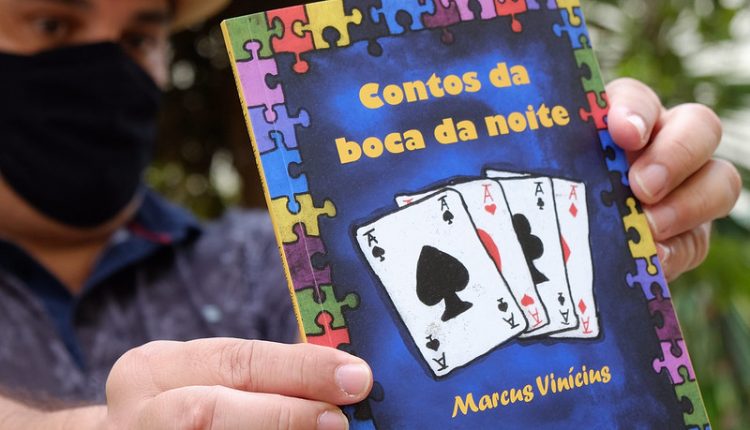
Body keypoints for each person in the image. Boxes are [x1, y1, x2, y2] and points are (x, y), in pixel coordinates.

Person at [0, 0, 741, 428]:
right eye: (52, 24)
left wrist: (611, 221)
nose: (108, 67)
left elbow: (418, 390)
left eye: (139, 35)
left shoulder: (273, 260)